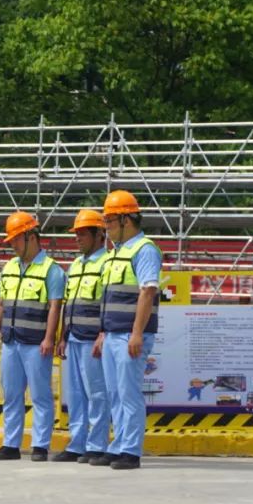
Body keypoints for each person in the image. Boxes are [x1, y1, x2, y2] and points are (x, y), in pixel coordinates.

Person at [92, 190, 162, 471]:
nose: (106, 227)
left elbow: (147, 292)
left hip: (129, 336)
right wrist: (102, 333)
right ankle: (118, 446)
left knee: (129, 393)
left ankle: (131, 451)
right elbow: (109, 297)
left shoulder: (144, 249)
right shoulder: (115, 254)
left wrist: (136, 333)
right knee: (115, 394)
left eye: (109, 221)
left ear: (126, 220)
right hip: (112, 334)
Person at [0, 211, 65, 462]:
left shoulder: (51, 270)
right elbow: (0, 303)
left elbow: (55, 306)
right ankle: (11, 444)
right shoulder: (10, 267)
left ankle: (40, 445)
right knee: (11, 395)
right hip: (10, 342)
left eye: (16, 239)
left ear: (31, 237)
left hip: (35, 344)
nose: (12, 244)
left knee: (40, 395)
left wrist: (49, 338)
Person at [53, 209, 110, 463]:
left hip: (93, 340)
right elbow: (68, 303)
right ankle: (77, 444)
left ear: (99, 235)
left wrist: (103, 333)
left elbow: (108, 302)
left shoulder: (107, 263)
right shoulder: (75, 265)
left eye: (83, 234)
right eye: (76, 234)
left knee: (97, 393)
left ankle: (97, 445)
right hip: (74, 338)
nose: (78, 239)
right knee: (76, 395)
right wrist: (63, 336)